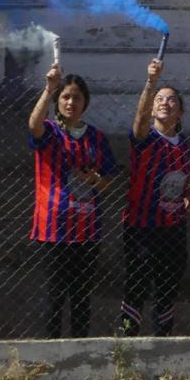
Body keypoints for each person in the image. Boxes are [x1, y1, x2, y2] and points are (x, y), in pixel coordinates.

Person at [28, 65, 116, 339]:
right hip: (55, 227)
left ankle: (80, 349)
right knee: (55, 294)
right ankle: (51, 351)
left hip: (86, 229)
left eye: (76, 97)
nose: (70, 102)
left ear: (85, 102)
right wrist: (49, 88)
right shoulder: (50, 133)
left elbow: (107, 181)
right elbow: (33, 124)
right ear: (58, 101)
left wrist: (92, 180)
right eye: (65, 96)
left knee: (81, 296)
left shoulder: (96, 138)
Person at [116, 57, 190, 337]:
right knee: (136, 285)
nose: (164, 102)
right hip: (141, 227)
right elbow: (138, 120)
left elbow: (183, 181)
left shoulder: (184, 145)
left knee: (167, 287)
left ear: (181, 112)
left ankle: (163, 342)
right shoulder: (145, 139)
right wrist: (151, 82)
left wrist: (187, 198)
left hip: (173, 229)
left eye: (171, 100)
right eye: (159, 99)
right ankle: (127, 342)